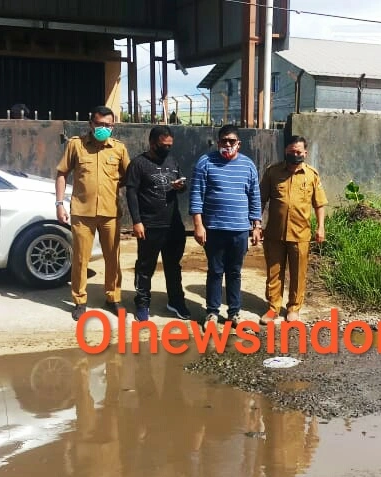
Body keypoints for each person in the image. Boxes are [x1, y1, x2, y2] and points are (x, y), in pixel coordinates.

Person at [55, 105, 131, 321]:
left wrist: (113, 186)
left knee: (112, 258)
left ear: (113, 126)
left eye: (108, 125)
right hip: (82, 211)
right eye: (99, 124)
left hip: (110, 212)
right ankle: (80, 300)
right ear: (91, 124)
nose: (104, 129)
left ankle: (113, 297)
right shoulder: (75, 145)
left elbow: (128, 175)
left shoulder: (119, 149)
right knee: (80, 258)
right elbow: (61, 173)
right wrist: (59, 203)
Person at [189, 124, 262, 326]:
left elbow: (254, 196)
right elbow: (196, 195)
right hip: (213, 228)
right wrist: (198, 225)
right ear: (218, 141)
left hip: (239, 229)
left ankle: (234, 313)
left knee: (234, 272)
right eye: (224, 140)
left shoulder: (248, 165)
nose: (227, 144)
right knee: (215, 271)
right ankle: (212, 312)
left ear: (239, 143)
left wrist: (256, 226)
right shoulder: (205, 162)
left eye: (232, 141)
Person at [258, 135, 328, 323]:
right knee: (274, 272)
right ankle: (273, 307)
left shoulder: (311, 175)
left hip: (300, 234)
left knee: (298, 273)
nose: (295, 155)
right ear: (285, 152)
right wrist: (256, 225)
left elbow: (319, 204)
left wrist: (321, 227)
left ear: (305, 153)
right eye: (291, 152)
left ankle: (294, 308)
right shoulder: (272, 173)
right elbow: (261, 200)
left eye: (298, 152)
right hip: (274, 233)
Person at [124, 125, 190, 322]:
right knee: (146, 266)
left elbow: (182, 187)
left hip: (173, 225)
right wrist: (137, 222)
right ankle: (142, 302)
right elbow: (131, 193)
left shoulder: (172, 161)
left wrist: (180, 186)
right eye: (163, 145)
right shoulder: (138, 164)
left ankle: (176, 301)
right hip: (150, 225)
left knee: (173, 265)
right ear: (152, 143)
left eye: (170, 145)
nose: (167, 149)